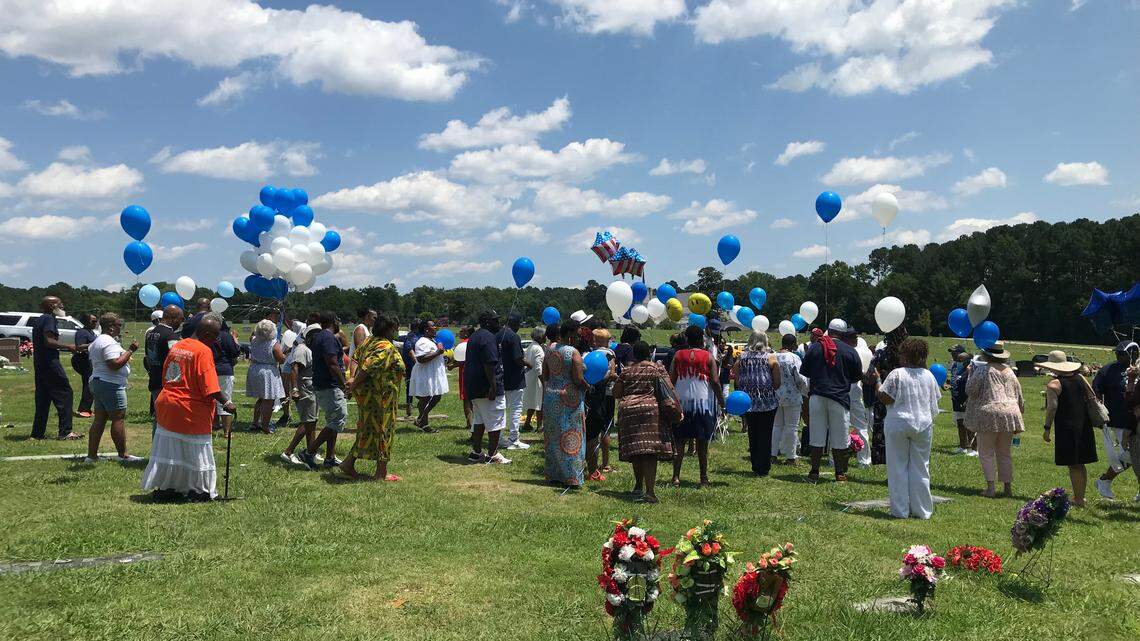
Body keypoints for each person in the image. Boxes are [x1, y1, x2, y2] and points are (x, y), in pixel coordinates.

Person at [142, 313, 236, 501]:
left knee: (171, 450)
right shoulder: (203, 351)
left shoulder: (178, 346)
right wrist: (227, 402)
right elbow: (210, 387)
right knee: (196, 452)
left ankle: (169, 487)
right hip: (189, 408)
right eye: (215, 336)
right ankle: (199, 490)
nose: (216, 340)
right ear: (207, 334)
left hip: (167, 403)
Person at [877, 338, 941, 519]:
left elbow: (886, 398)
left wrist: (877, 383)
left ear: (905, 355)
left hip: (899, 422)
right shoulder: (928, 375)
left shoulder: (897, 373)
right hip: (923, 424)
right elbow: (935, 399)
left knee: (898, 466)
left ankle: (900, 510)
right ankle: (922, 510)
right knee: (921, 467)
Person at [338, 312, 404, 481]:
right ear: (389, 328)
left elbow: (355, 358)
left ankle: (348, 463)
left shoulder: (369, 341)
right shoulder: (385, 347)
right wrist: (353, 384)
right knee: (384, 431)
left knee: (367, 430)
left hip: (366, 398)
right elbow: (368, 368)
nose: (397, 331)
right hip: (382, 399)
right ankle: (381, 473)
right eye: (396, 328)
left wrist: (352, 379)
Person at [800, 321, 864, 483]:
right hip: (839, 398)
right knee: (840, 436)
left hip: (817, 396)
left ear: (829, 331)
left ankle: (814, 471)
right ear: (843, 334)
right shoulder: (850, 350)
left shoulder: (815, 347)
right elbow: (856, 377)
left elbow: (805, 371)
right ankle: (839, 473)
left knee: (816, 435)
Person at [614, 340, 678, 503]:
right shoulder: (657, 368)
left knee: (636, 450)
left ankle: (638, 486)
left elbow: (616, 393)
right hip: (650, 412)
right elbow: (669, 389)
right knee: (649, 452)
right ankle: (650, 492)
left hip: (629, 412)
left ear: (634, 354)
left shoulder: (627, 370)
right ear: (649, 353)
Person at [963, 341, 1024, 498]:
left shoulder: (983, 370)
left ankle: (990, 489)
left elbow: (970, 390)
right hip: (1011, 412)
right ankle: (1007, 488)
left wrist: (969, 374)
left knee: (986, 452)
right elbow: (1019, 394)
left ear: (986, 354)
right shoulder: (1010, 371)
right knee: (1004, 452)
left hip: (990, 412)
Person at [1039, 350, 1098, 507]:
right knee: (1080, 463)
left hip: (1067, 427)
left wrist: (1047, 428)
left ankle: (1078, 499)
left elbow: (1052, 408)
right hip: (1084, 424)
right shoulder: (1080, 378)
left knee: (1073, 465)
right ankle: (1080, 496)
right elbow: (1092, 395)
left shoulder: (1054, 384)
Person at [82, 313, 142, 464]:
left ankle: (91, 456)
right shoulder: (108, 342)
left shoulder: (97, 341)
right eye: (118, 325)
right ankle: (123, 455)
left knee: (100, 419)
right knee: (118, 418)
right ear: (111, 327)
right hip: (110, 384)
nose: (120, 328)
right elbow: (114, 364)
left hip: (99, 381)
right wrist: (130, 350)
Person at [670, 324, 723, 487]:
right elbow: (715, 381)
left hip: (682, 403)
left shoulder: (678, 355)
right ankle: (703, 478)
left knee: (680, 441)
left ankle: (676, 477)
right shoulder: (708, 356)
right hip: (702, 404)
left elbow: (671, 379)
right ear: (701, 339)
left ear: (686, 339)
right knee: (702, 443)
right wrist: (721, 401)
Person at [299, 312, 349, 469]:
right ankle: (309, 452)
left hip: (323, 384)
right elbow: (332, 363)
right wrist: (344, 384)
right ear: (333, 321)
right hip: (330, 385)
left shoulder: (320, 337)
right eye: (338, 320)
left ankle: (330, 457)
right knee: (338, 419)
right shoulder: (328, 338)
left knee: (332, 421)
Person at [541, 319, 587, 485]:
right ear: (569, 334)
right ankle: (571, 477)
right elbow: (578, 379)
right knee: (571, 436)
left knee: (553, 436)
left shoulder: (550, 349)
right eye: (577, 335)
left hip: (551, 396)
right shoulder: (573, 352)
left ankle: (553, 474)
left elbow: (545, 374)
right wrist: (588, 387)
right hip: (569, 399)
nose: (579, 338)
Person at [31, 296, 82, 441]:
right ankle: (65, 432)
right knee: (65, 393)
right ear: (52, 306)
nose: (63, 306)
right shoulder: (49, 319)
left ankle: (37, 434)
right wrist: (68, 347)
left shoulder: (40, 319)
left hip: (40, 364)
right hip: (50, 363)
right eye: (60, 303)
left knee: (43, 398)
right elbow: (49, 341)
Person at [1092, 341, 1139, 500]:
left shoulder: (1138, 368)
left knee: (1134, 455)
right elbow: (1096, 390)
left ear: (1134, 353)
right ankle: (1104, 480)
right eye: (1117, 353)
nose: (1118, 356)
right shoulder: (1108, 370)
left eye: (1122, 353)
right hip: (1120, 419)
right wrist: (1100, 412)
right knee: (1131, 455)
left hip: (1137, 419)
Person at [733, 332, 781, 477]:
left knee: (753, 434)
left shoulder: (742, 357)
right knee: (766, 434)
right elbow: (777, 383)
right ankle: (764, 467)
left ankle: (755, 464)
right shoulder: (771, 357)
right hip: (767, 403)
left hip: (748, 402)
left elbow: (736, 378)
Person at [466, 310, 511, 465]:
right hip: (487, 387)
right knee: (496, 420)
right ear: (487, 322)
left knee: (479, 420)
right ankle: (493, 454)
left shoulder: (474, 336)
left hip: (474, 387)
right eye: (495, 320)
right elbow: (489, 363)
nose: (498, 323)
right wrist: (493, 386)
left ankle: (476, 452)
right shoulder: (489, 337)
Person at [867, 326, 908, 466]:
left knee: (882, 428)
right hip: (904, 398)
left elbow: (870, 376)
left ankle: (882, 458)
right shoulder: (908, 358)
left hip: (883, 396)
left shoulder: (879, 354)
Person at [281, 325, 319, 466]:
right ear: (308, 337)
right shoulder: (302, 349)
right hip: (305, 389)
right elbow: (294, 368)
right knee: (307, 422)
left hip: (312, 389)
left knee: (312, 421)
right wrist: (295, 389)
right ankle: (288, 451)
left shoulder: (311, 349)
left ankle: (311, 452)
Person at [584, 327, 617, 480]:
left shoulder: (590, 354)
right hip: (606, 393)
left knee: (591, 429)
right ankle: (605, 463)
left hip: (591, 393)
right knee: (606, 428)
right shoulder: (609, 354)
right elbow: (611, 372)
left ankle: (590, 462)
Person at [771, 333, 809, 465]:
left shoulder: (773, 356)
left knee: (776, 426)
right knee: (792, 427)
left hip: (775, 395)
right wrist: (805, 391)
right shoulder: (794, 358)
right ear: (793, 344)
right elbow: (800, 378)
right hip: (792, 396)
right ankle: (791, 457)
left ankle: (772, 454)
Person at [837, 325, 871, 468]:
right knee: (858, 427)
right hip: (850, 391)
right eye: (853, 336)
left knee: (840, 427)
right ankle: (863, 460)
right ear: (846, 338)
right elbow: (860, 375)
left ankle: (836, 459)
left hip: (844, 392)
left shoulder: (838, 351)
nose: (856, 339)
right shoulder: (853, 353)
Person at [146, 305, 183, 431]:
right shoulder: (170, 336)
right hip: (166, 383)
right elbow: (178, 358)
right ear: (173, 318)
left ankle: (156, 442)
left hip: (154, 378)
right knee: (166, 419)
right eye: (180, 320)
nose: (180, 323)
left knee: (158, 417)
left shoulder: (151, 333)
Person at [246, 319, 286, 434]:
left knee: (261, 398)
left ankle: (255, 422)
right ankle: (265, 426)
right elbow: (281, 359)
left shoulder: (254, 340)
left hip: (255, 369)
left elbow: (252, 336)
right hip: (267, 371)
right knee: (269, 400)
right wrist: (284, 355)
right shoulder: (274, 344)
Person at [498, 312, 529, 450]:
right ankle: (513, 439)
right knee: (515, 409)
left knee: (500, 409)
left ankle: (499, 437)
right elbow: (518, 358)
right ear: (515, 323)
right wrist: (528, 364)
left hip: (500, 378)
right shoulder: (513, 336)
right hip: (514, 379)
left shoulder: (497, 334)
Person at [410, 320, 447, 433]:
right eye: (433, 326)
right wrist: (438, 352)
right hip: (425, 374)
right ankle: (423, 422)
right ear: (426, 329)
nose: (435, 327)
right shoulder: (422, 342)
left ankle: (421, 419)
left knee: (435, 396)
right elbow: (421, 359)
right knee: (427, 398)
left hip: (432, 373)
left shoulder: (432, 340)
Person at [212, 320, 242, 437]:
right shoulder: (226, 336)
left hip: (210, 369)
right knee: (226, 399)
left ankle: (214, 424)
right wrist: (235, 338)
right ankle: (227, 432)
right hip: (224, 369)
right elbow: (235, 351)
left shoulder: (208, 334)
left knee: (212, 399)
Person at [947, 345, 978, 456]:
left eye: (955, 353)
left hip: (967, 400)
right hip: (957, 399)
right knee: (960, 424)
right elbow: (955, 380)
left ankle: (974, 449)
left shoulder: (971, 368)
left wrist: (968, 399)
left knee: (969, 425)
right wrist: (948, 385)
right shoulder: (954, 366)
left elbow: (973, 385)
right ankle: (963, 447)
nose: (953, 355)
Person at [71, 313, 98, 419]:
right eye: (93, 321)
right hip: (82, 360)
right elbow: (79, 346)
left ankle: (86, 408)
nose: (95, 323)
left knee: (90, 383)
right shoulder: (82, 332)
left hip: (88, 360)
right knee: (89, 384)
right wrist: (94, 344)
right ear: (86, 321)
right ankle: (83, 410)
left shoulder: (91, 332)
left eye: (96, 321)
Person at [522, 327, 546, 433]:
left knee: (533, 402)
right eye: (544, 335)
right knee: (539, 403)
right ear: (540, 337)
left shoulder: (531, 346)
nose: (546, 337)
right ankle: (540, 426)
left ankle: (527, 423)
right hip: (537, 379)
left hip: (530, 377)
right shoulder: (538, 349)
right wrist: (544, 382)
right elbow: (538, 368)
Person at [143, 309, 163, 416]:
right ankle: (154, 410)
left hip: (151, 359)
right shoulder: (151, 330)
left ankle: (154, 409)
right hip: (152, 360)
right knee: (156, 384)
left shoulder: (152, 330)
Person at [401, 319, 422, 418]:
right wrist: (416, 362)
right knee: (410, 385)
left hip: (417, 364)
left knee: (418, 384)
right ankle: (409, 407)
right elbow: (409, 349)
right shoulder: (410, 336)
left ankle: (422, 402)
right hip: (411, 365)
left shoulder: (420, 336)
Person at [348, 308, 376, 376]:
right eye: (374, 317)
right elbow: (360, 351)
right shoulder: (360, 329)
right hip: (356, 368)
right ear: (367, 317)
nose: (376, 320)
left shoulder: (369, 331)